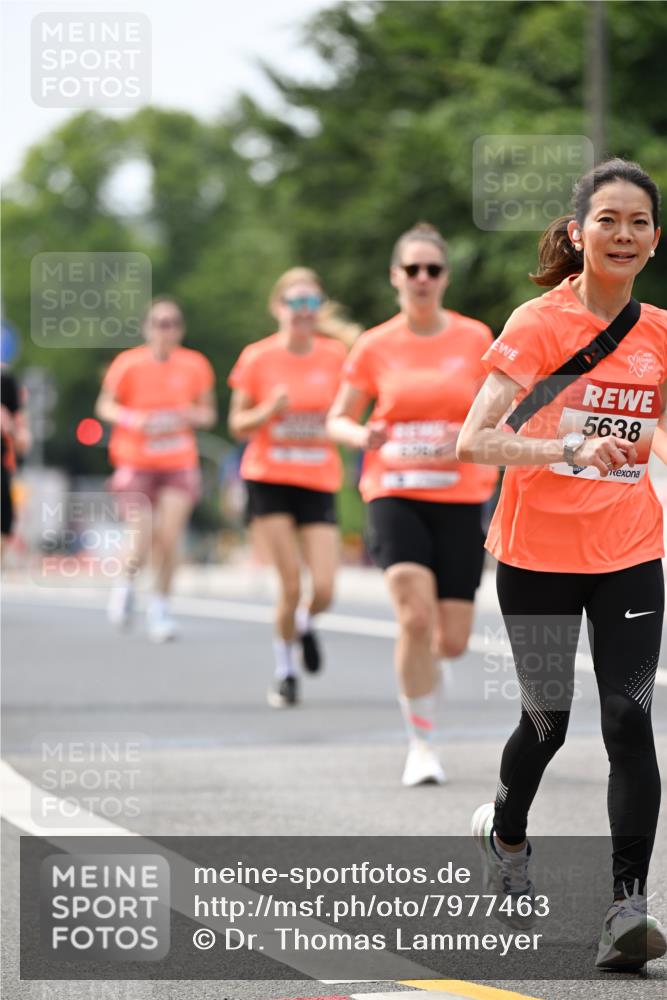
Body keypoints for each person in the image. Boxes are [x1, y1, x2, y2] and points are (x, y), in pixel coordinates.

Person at [457, 158, 666, 969]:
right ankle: (506, 838)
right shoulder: (537, 323)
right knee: (546, 719)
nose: (622, 234)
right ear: (578, 234)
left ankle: (625, 908)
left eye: (638, 222)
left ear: (654, 239)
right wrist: (564, 448)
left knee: (628, 718)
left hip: (628, 551)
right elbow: (474, 441)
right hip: (536, 554)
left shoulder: (658, 334)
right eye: (607, 220)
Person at [327, 223, 498, 786]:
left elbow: (503, 407)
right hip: (394, 490)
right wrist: (362, 436)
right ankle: (421, 745)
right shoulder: (375, 345)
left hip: (460, 496)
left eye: (433, 269)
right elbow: (337, 418)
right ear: (395, 277)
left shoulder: (474, 337)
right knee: (414, 617)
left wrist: (471, 437)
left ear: (445, 277)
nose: (423, 278)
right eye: (412, 269)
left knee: (450, 639)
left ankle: (427, 674)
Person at [228, 268, 356, 707]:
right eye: (295, 303)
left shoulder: (336, 355)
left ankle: (303, 623)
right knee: (289, 584)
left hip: (317, 479)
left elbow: (348, 413)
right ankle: (285, 671)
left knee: (324, 588)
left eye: (311, 303)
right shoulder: (257, 357)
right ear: (277, 308)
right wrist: (268, 410)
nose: (304, 311)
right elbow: (237, 424)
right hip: (269, 479)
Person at [96, 297, 217, 642]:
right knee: (142, 535)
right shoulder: (128, 364)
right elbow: (105, 405)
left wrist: (190, 415)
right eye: (160, 323)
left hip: (178, 461)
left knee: (170, 536)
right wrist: (133, 419)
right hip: (136, 461)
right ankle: (126, 583)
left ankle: (160, 606)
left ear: (181, 329)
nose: (167, 330)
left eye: (173, 323)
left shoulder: (195, 365)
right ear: (147, 328)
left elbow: (209, 414)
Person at [1, 365, 30, 560]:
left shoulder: (5, 380)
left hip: (2, 461)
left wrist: (15, 429)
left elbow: (22, 435)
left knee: (5, 521)